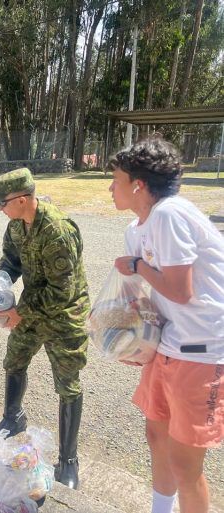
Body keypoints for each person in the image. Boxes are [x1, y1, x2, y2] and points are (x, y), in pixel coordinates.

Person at [108, 137, 224, 513]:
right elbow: (148, 298)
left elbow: (179, 290)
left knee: (186, 466)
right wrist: (134, 340)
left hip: (203, 352)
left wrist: (137, 266)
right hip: (169, 346)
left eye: (116, 180)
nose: (110, 188)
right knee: (157, 437)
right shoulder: (136, 229)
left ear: (138, 185)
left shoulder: (170, 214)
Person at [0, 167, 90, 490]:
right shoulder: (16, 225)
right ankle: (13, 418)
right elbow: (11, 262)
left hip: (65, 315)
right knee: (14, 359)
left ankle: (69, 460)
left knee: (67, 382)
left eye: (2, 203)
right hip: (32, 308)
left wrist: (19, 312)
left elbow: (62, 291)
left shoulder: (58, 230)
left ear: (21, 199)